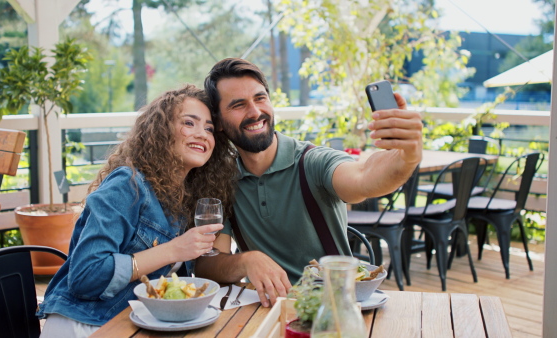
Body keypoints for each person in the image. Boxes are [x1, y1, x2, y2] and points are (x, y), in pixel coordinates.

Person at [195, 58, 423, 307]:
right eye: (238, 105)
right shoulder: (223, 179)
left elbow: (363, 177)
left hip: (335, 309)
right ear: (217, 122)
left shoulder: (312, 162)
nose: (255, 112)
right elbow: (208, 265)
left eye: (260, 98)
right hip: (266, 310)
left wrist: (406, 157)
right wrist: (246, 261)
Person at [37, 84, 237, 337]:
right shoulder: (127, 185)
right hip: (86, 325)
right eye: (189, 123)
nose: (203, 134)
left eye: (209, 128)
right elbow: (86, 276)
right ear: (161, 131)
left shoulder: (186, 198)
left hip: (135, 323)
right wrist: (174, 250)